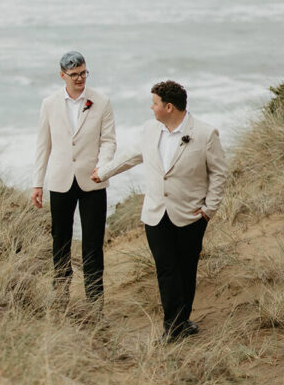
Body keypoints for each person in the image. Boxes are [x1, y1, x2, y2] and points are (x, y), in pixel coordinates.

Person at [92, 80, 227, 341]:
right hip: (155, 214)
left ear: (168, 107)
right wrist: (103, 172)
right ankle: (172, 327)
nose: (151, 107)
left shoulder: (205, 133)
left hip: (191, 215)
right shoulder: (150, 130)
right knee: (166, 268)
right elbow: (132, 155)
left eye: (154, 103)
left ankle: (183, 320)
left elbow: (219, 174)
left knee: (186, 269)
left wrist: (209, 209)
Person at [32, 52, 116, 306]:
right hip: (60, 180)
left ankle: (95, 303)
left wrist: (103, 168)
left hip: (93, 181)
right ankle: (60, 297)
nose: (80, 79)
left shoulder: (101, 102)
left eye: (83, 73)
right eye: (74, 75)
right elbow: (42, 145)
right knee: (61, 240)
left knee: (92, 243)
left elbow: (109, 141)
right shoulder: (49, 104)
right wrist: (38, 183)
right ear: (62, 75)